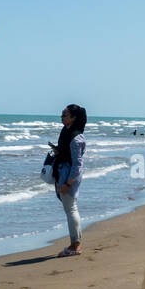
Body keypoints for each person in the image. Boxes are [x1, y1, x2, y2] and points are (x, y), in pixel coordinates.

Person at [54, 104, 87, 257]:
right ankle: (75, 243)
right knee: (70, 208)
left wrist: (68, 183)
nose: (61, 117)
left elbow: (77, 165)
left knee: (71, 209)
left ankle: (76, 245)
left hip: (69, 176)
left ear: (73, 118)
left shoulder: (76, 137)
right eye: (61, 114)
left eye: (65, 115)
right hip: (63, 173)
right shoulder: (66, 132)